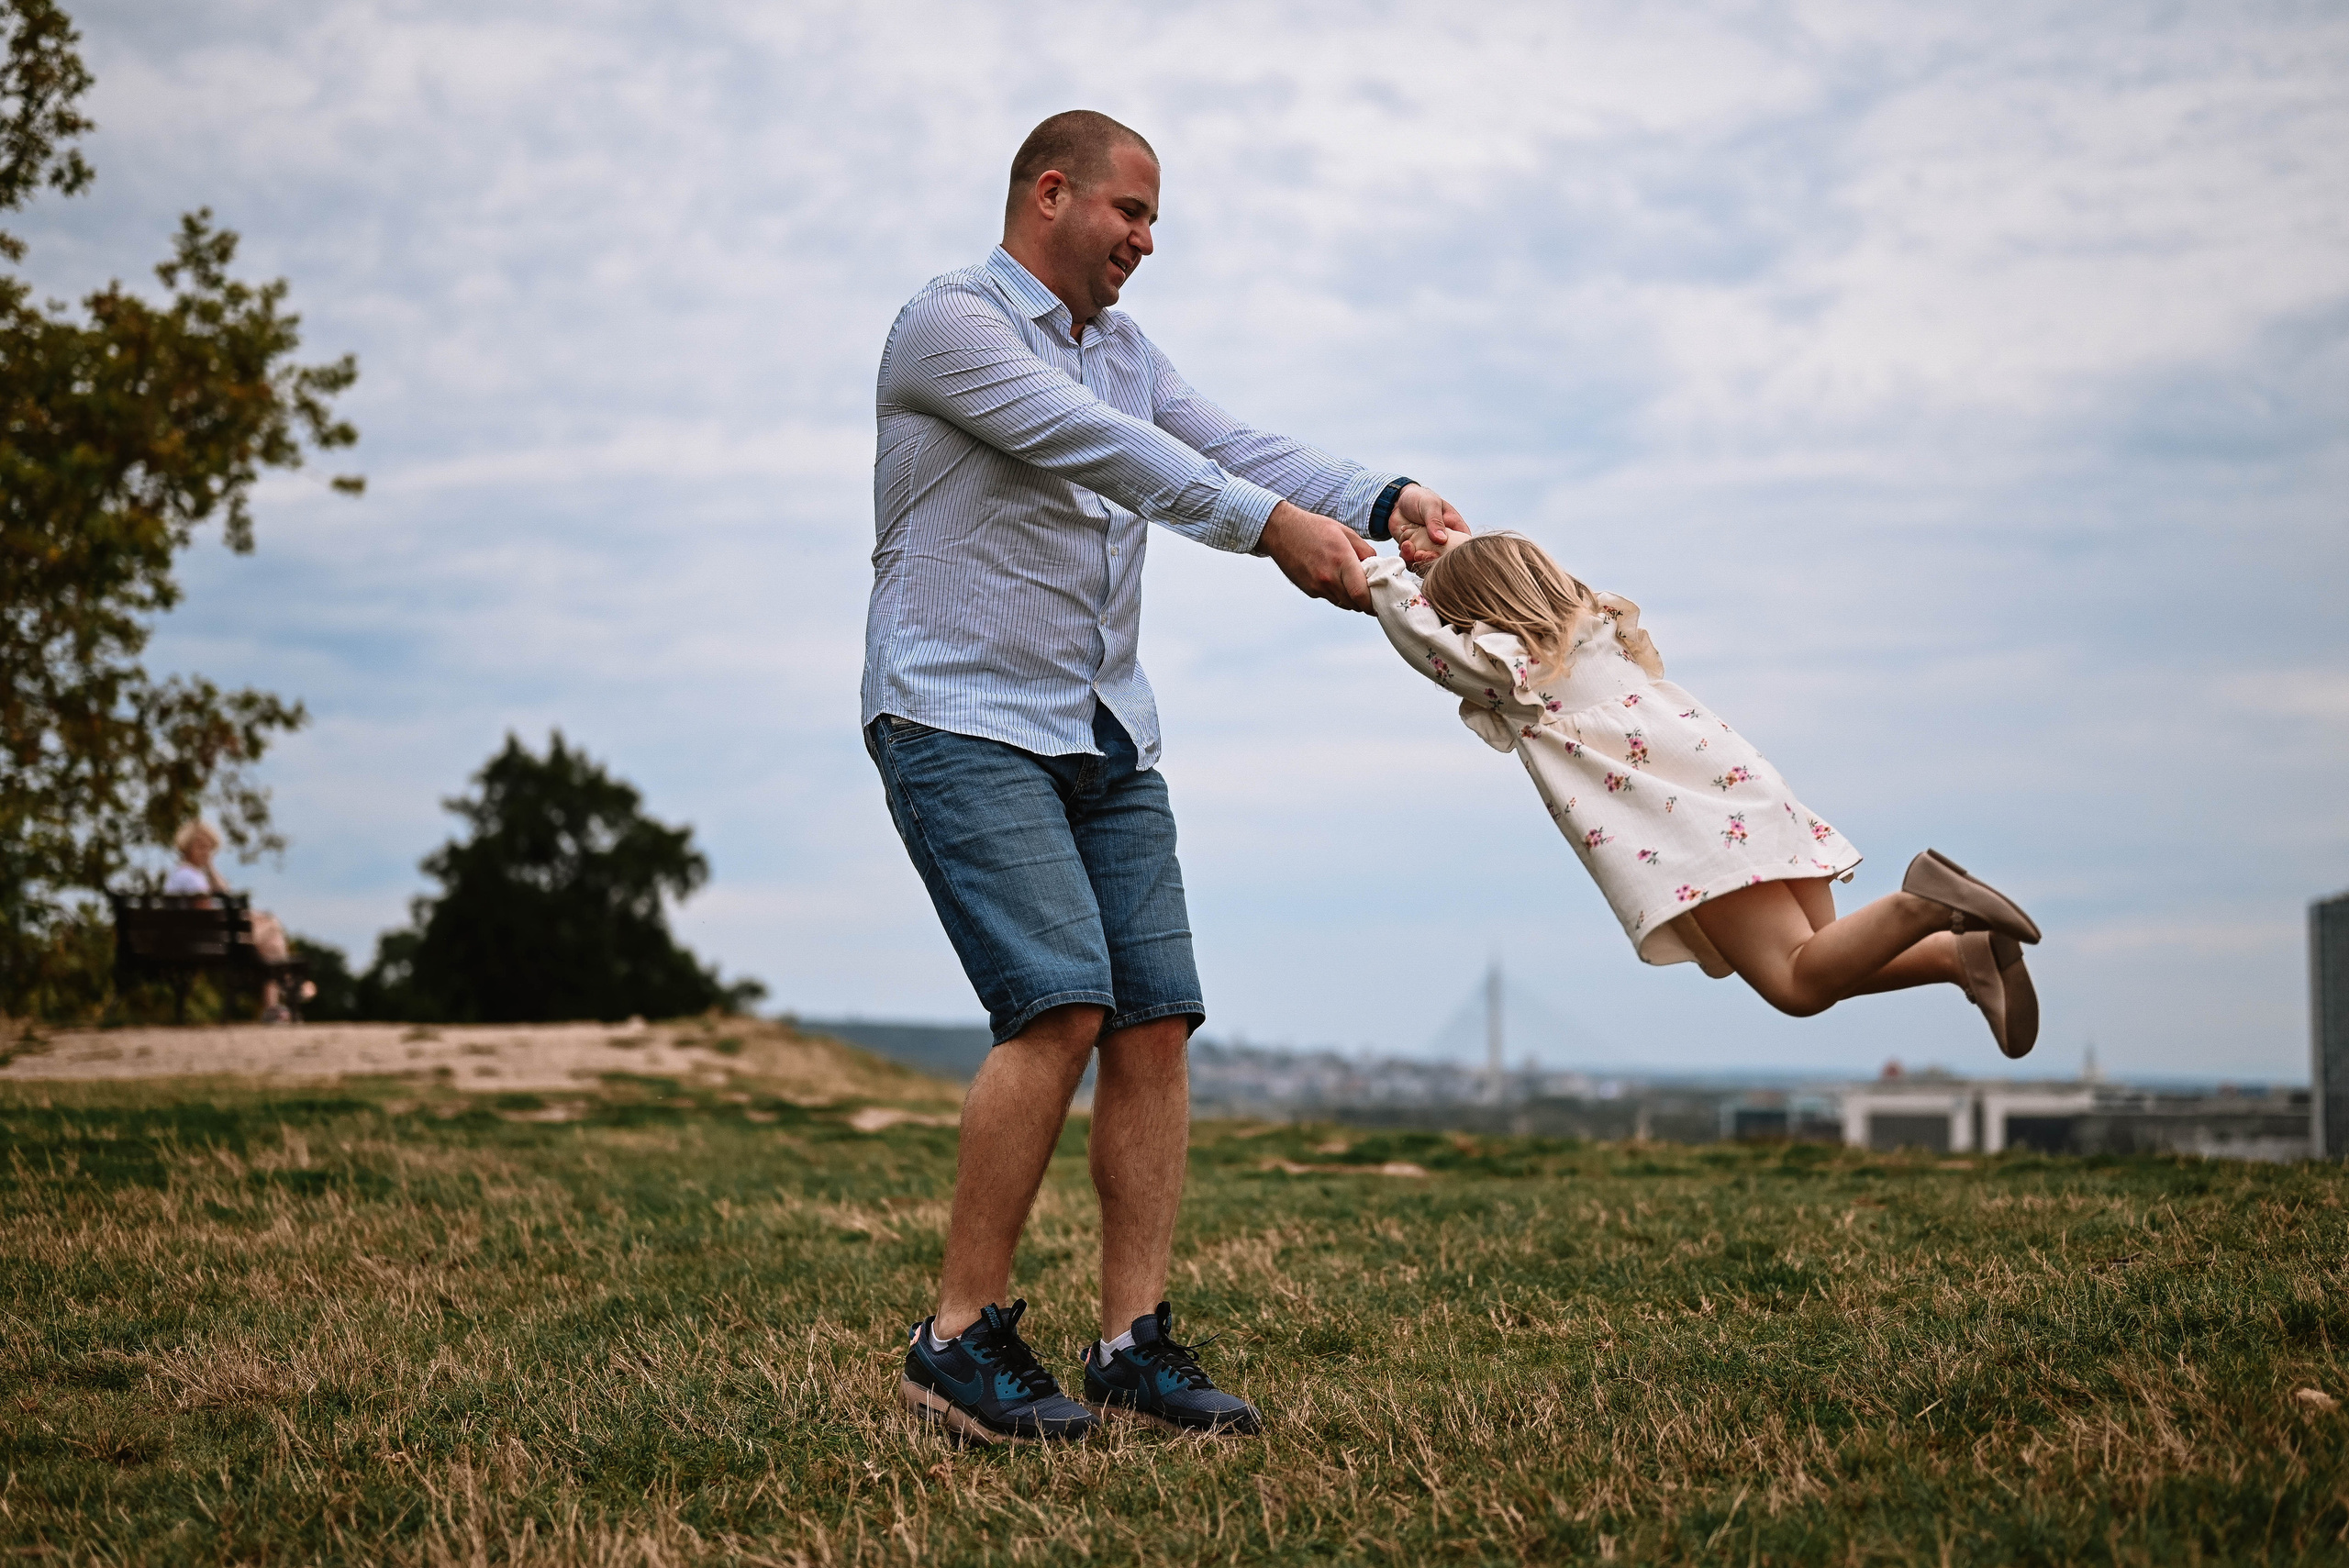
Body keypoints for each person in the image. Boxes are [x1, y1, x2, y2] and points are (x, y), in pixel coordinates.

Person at [863, 109, 1467, 1445]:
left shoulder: (1128, 352)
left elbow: (1235, 442)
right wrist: (1268, 535)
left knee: (1153, 1019)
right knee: (1063, 1003)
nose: (1145, 242)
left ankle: (1130, 1346)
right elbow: (1118, 454)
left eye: (1156, 223)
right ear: (1049, 193)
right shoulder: (950, 327)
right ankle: (954, 1342)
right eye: (1130, 213)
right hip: (962, 717)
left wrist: (1387, 497)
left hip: (1105, 730)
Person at [1367, 532, 2041, 1052]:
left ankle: (1923, 902)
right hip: (1746, 791)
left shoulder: (1515, 677)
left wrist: (1373, 571)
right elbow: (1493, 578)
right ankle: (1960, 954)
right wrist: (1451, 550)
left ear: (1473, 620)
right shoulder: (1598, 632)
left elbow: (1418, 635)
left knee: (1796, 984)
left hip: (1690, 829)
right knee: (1829, 952)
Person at [164, 820, 311, 1023]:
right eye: (200, 846)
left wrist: (209, 867)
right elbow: (209, 915)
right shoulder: (191, 879)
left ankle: (274, 1004)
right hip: (209, 940)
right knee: (271, 927)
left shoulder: (181, 875)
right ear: (186, 846)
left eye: (209, 847)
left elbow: (221, 895)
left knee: (271, 939)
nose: (206, 852)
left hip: (200, 939)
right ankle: (287, 984)